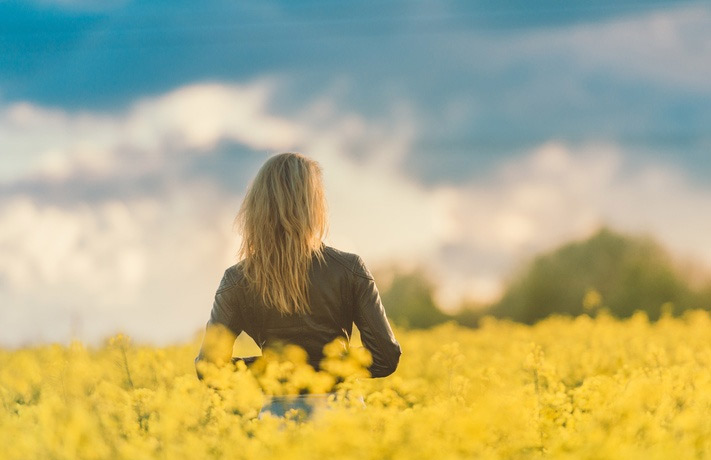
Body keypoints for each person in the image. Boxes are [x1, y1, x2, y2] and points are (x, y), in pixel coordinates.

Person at [195, 152, 401, 398]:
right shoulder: (349, 268)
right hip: (342, 414)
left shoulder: (238, 279)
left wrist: (272, 369)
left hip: (278, 413)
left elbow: (209, 368)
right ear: (314, 205)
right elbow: (385, 358)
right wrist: (329, 368)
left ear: (258, 206)